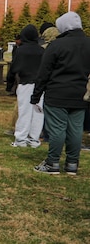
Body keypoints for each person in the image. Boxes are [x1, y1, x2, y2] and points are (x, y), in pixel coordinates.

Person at [31, 12, 90, 175]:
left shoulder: (56, 45)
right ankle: (72, 164)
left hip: (57, 93)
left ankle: (52, 163)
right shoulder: (88, 44)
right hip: (80, 94)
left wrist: (36, 96)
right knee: (76, 130)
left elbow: (44, 73)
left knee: (57, 130)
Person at [6, 24, 44, 148]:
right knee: (38, 111)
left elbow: (13, 69)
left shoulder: (20, 50)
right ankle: (34, 139)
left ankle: (21, 138)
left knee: (24, 111)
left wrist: (9, 84)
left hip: (25, 82)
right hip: (40, 84)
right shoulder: (41, 50)